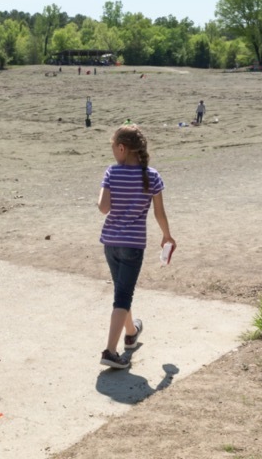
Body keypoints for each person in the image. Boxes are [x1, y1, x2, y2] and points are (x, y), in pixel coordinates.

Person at [97, 124, 174, 370]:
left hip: (111, 242)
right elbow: (159, 213)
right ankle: (110, 351)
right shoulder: (152, 176)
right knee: (123, 295)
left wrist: (106, 188)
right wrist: (167, 236)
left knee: (121, 292)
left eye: (113, 148)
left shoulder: (111, 172)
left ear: (121, 148)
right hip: (133, 244)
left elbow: (103, 208)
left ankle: (131, 333)